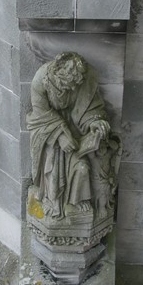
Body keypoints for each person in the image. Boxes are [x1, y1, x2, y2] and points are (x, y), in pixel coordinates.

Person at [27, 52, 118, 219]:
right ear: (58, 75)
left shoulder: (82, 79)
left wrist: (95, 122)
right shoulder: (40, 80)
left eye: (75, 85)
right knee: (53, 161)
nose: (71, 89)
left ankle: (79, 200)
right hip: (48, 136)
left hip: (77, 134)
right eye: (67, 84)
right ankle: (53, 200)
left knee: (83, 167)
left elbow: (88, 109)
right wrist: (60, 136)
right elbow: (40, 116)